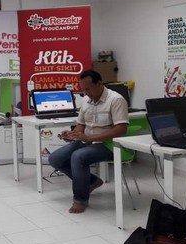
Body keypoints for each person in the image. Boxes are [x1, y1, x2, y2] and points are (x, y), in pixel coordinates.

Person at [48, 70, 129, 213]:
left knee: (78, 156)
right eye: (83, 89)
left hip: (108, 144)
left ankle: (80, 200)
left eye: (88, 89)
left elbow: (121, 129)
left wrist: (90, 138)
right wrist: (73, 134)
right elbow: (81, 125)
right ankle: (91, 181)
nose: (86, 93)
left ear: (99, 84)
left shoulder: (116, 100)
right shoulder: (86, 100)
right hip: (87, 141)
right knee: (55, 158)